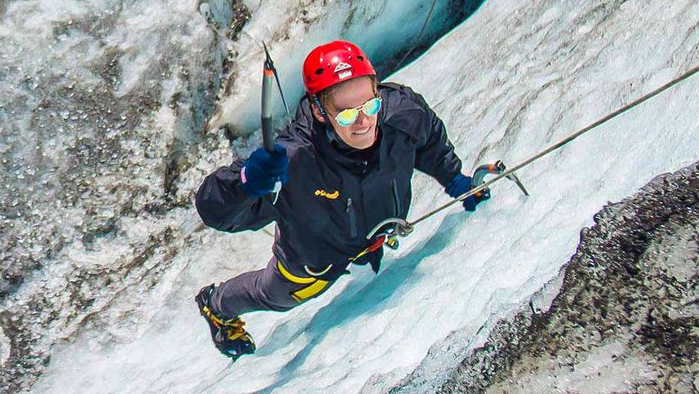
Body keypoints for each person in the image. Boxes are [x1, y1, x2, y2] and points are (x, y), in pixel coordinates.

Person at [193, 40, 488, 358]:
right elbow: (215, 210)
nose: (364, 121)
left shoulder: (402, 112)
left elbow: (428, 140)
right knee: (274, 296)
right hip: (315, 261)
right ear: (319, 111)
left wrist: (454, 178)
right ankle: (216, 304)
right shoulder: (295, 161)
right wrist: (246, 183)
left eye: (370, 106)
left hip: (377, 232)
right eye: (347, 115)